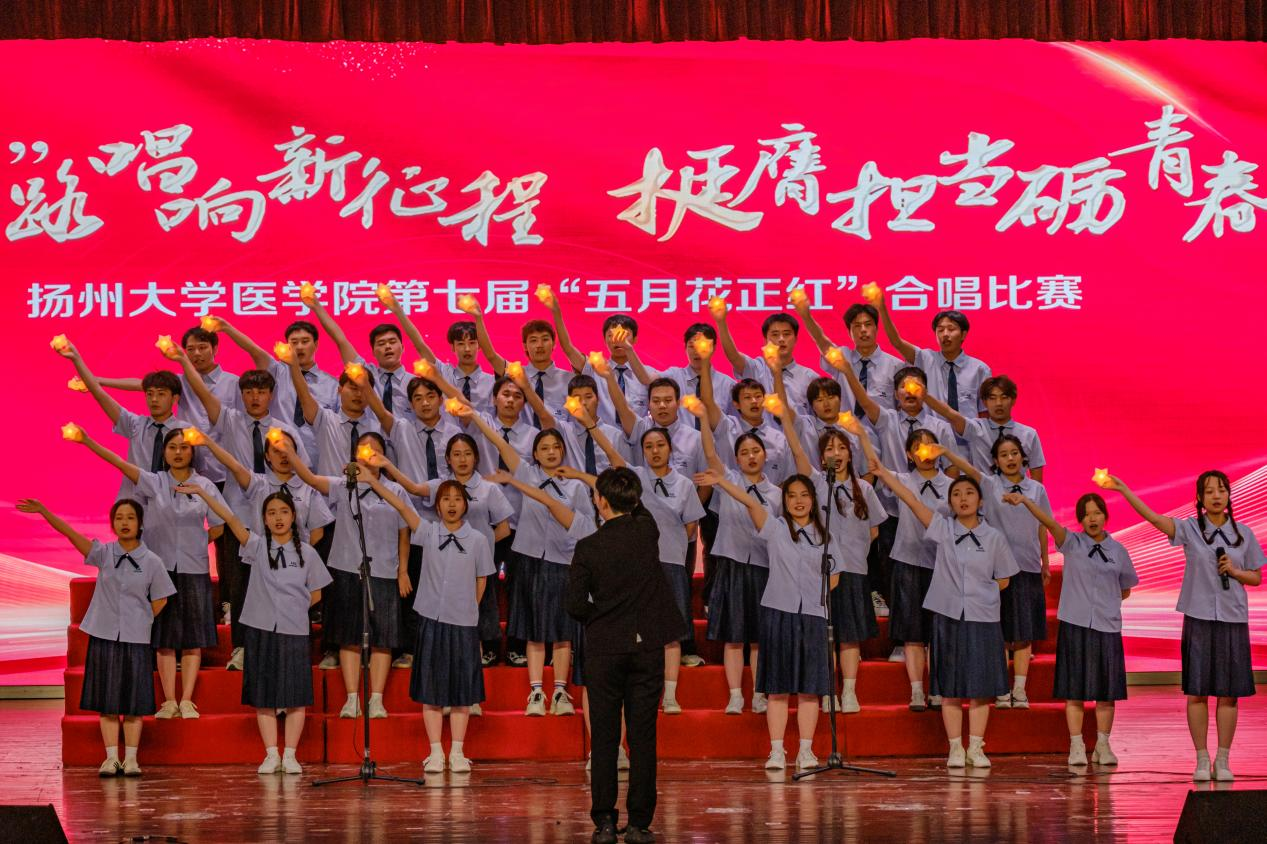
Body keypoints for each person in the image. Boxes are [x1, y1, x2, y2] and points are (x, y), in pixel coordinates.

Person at [1108, 471, 1263, 782]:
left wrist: (1234, 571)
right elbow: (1153, 518)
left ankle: (1223, 759)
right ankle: (1202, 758)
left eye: (1221, 490)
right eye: (1210, 491)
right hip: (1199, 616)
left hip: (1233, 619)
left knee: (1229, 694)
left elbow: (1256, 577)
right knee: (1197, 691)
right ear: (1200, 498)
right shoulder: (1190, 529)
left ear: (1229, 495)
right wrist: (1124, 490)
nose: (1216, 496)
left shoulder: (1243, 533)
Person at [872, 457, 1018, 769]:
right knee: (950, 685)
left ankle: (976, 747)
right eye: (956, 494)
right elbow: (911, 500)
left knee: (980, 686)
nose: (963, 498)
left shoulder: (994, 538)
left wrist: (980, 593)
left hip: (983, 618)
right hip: (948, 616)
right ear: (950, 502)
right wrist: (883, 473)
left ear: (980, 501)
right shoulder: (943, 528)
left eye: (969, 493)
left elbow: (1004, 579)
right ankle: (955, 748)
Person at [72, 425, 226, 720]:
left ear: (192, 452)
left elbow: (219, 526)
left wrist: (196, 543)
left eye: (184, 447)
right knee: (164, 638)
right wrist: (87, 440)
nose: (178, 452)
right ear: (164, 452)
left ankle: (186, 700)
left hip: (194, 569)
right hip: (159, 568)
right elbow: (118, 462)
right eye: (172, 447)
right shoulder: (154, 482)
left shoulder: (205, 485)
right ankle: (169, 701)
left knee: (192, 639)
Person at [566, 467, 687, 844]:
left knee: (604, 737)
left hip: (604, 647)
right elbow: (640, 505)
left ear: (600, 502)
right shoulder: (646, 531)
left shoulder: (588, 547)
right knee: (642, 736)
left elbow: (574, 604)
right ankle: (638, 824)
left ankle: (604, 822)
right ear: (633, 500)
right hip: (645, 646)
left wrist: (599, 618)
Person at [16, 498, 174, 777]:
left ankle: (132, 759)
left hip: (136, 639)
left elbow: (161, 598)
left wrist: (141, 619)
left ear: (140, 523)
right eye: (119, 518)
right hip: (104, 635)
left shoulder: (152, 561)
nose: (124, 523)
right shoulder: (104, 553)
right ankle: (111, 758)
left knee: (134, 703)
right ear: (113, 523)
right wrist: (44, 511)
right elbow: (70, 534)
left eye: (130, 518)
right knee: (108, 701)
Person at [185, 486, 331, 775]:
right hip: (260, 629)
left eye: (284, 512)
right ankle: (271, 754)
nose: (278, 518)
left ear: (293, 516)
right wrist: (203, 492)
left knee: (296, 695)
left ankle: (290, 755)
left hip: (294, 630)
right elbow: (230, 518)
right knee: (264, 695)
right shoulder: (256, 546)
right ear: (264, 519)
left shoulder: (308, 553)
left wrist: (294, 608)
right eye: (272, 513)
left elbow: (316, 592)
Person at [699, 468, 836, 772]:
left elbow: (835, 575)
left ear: (813, 500)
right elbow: (750, 503)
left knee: (809, 690)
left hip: (814, 615)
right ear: (784, 501)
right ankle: (777, 751)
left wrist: (815, 593)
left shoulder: (825, 536)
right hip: (778, 612)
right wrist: (722, 482)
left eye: (804, 495)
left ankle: (806, 750)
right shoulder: (775, 528)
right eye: (792, 496)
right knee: (778, 688)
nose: (798, 501)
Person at [363, 473, 494, 774]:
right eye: (445, 499)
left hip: (462, 623)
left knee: (462, 692)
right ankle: (435, 751)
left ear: (465, 505)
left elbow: (481, 580)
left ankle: (457, 751)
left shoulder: (477, 540)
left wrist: (466, 608)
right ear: (437, 506)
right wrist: (374, 481)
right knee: (432, 690)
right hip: (431, 620)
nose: (452, 504)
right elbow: (401, 506)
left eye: (457, 499)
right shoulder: (428, 532)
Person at [466, 407, 592, 715]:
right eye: (544, 448)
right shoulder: (526, 474)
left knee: (563, 631)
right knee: (534, 628)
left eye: (556, 447)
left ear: (563, 452)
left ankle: (560, 692)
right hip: (529, 558)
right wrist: (475, 415)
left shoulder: (576, 486)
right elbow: (499, 442)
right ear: (535, 454)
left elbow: (586, 526)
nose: (550, 452)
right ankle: (536, 692)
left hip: (564, 561)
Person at [283, 432, 413, 719]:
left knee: (383, 637)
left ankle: (376, 699)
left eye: (375, 451)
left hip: (384, 569)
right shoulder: (344, 486)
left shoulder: (396, 490)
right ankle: (352, 698)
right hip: (346, 567)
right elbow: (311, 479)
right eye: (363, 450)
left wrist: (403, 570)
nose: (369, 456)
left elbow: (404, 533)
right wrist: (290, 454)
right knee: (349, 635)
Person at [1004, 490, 1138, 767]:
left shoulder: (1119, 551)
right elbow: (1048, 522)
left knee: (1106, 692)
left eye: (1097, 513)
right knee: (1074, 690)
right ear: (1080, 519)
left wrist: (1105, 603)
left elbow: (1125, 589)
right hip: (1075, 624)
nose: (1092, 518)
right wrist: (1026, 501)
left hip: (1107, 626)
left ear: (1105, 516)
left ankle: (1103, 745)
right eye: (1086, 514)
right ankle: (1076, 745)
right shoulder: (1072, 543)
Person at [374, 434, 513, 677]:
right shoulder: (441, 486)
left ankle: (475, 671)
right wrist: (386, 465)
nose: (462, 459)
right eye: (456, 454)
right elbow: (412, 490)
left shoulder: (489, 488)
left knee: (475, 624)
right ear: (448, 458)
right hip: (444, 567)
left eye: (467, 454)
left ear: (476, 457)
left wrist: (477, 547)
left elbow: (504, 529)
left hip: (476, 567)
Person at [686, 401, 778, 715]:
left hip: (764, 569)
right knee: (734, 637)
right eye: (744, 453)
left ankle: (761, 694)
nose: (751, 457)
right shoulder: (726, 481)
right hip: (732, 566)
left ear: (765, 455)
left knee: (760, 638)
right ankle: (736, 695)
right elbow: (711, 454)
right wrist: (702, 419)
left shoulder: (778, 494)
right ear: (736, 459)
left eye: (756, 451)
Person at [56, 339, 190, 498]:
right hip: (132, 505)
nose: (154, 399)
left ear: (175, 399)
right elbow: (99, 394)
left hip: (170, 503)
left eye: (161, 394)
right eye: (149, 394)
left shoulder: (186, 432)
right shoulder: (135, 424)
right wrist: (76, 359)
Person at [876, 299, 992, 420]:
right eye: (940, 330)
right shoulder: (925, 359)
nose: (945, 334)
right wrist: (882, 309)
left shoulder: (980, 369)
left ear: (963, 334)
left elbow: (984, 412)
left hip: (968, 432)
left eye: (951, 329)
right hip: (932, 431)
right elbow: (897, 342)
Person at [921, 375, 1046, 481]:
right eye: (992, 398)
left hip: (1018, 498)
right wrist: (925, 396)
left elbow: (1037, 481)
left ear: (1013, 400)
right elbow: (950, 413)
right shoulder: (976, 428)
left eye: (1004, 397)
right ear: (985, 402)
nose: (998, 403)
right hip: (984, 499)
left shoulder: (1029, 434)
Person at [711, 299, 816, 416]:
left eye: (786, 334)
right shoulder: (756, 368)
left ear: (795, 339)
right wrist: (721, 322)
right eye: (775, 334)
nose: (781, 339)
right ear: (765, 340)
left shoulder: (809, 377)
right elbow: (733, 357)